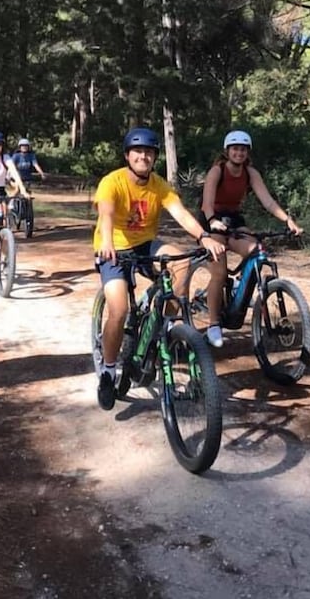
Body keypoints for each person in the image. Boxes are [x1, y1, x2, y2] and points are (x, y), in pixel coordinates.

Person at [92, 127, 225, 410]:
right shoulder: (112, 181)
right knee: (118, 309)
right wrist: (106, 241)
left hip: (144, 245)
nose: (144, 157)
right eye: (138, 152)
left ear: (155, 158)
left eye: (149, 152)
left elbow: (180, 213)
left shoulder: (159, 185)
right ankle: (108, 370)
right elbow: (106, 213)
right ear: (128, 155)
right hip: (113, 247)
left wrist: (203, 237)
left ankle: (164, 328)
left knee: (181, 261)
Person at [199, 129, 303, 348]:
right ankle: (214, 324)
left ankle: (238, 286)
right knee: (218, 272)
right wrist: (212, 221)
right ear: (227, 151)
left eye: (243, 149)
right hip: (212, 220)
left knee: (257, 250)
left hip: (234, 219)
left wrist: (288, 220)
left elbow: (268, 201)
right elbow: (207, 204)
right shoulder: (217, 171)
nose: (239, 153)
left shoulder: (250, 173)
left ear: (248, 152)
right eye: (235, 149)